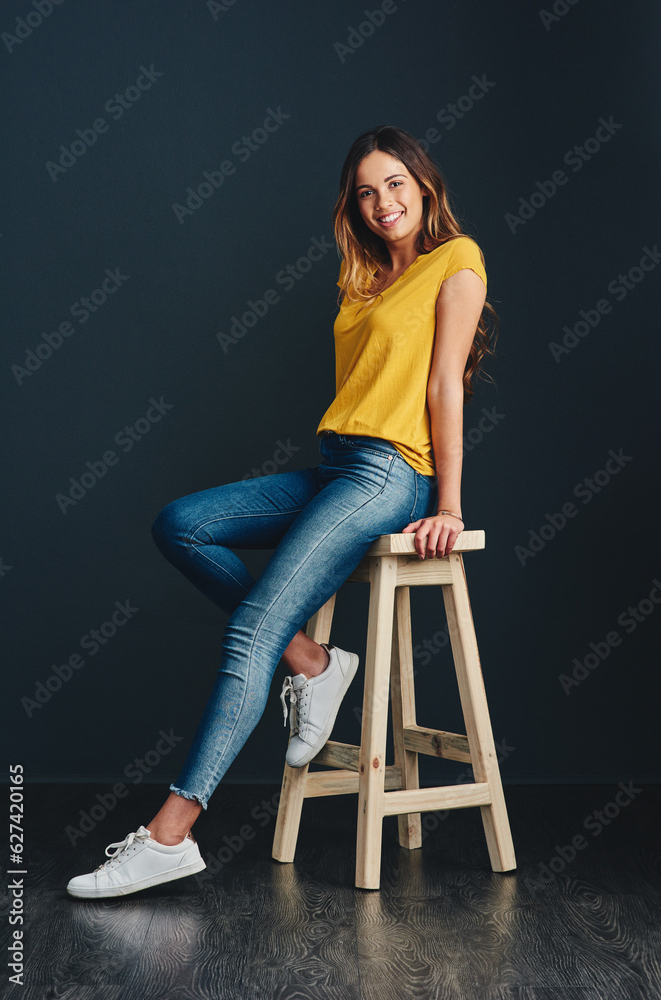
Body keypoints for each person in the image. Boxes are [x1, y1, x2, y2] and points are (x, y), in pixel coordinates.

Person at [66, 124, 497, 898]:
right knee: (181, 524)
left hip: (390, 472)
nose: (382, 202)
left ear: (424, 185)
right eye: (366, 191)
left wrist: (448, 503)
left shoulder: (455, 262)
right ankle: (316, 664)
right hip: (339, 463)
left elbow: (443, 386)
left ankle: (172, 831)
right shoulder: (361, 281)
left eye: (395, 183)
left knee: (251, 627)